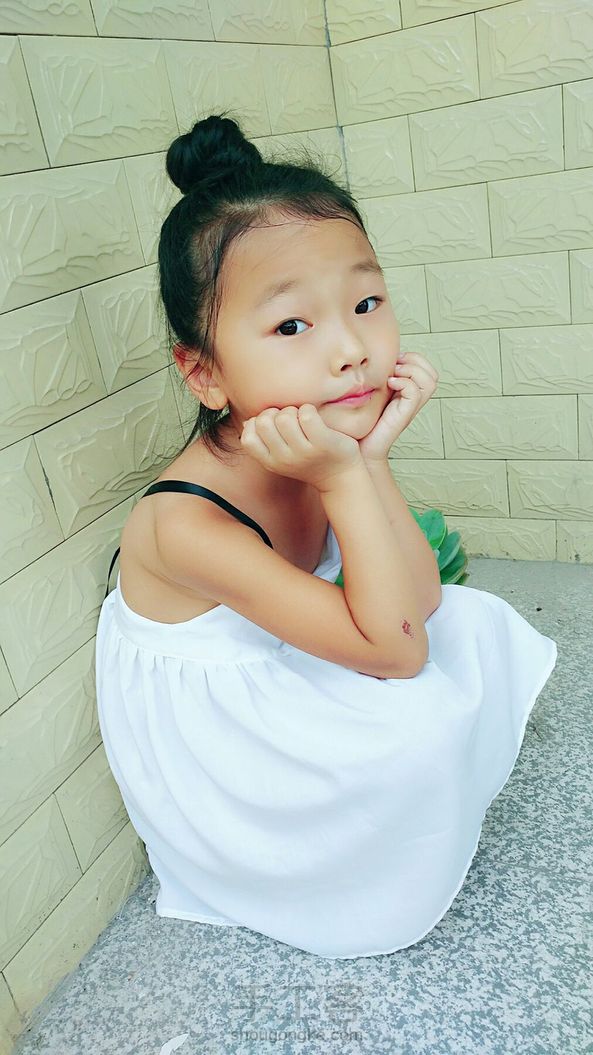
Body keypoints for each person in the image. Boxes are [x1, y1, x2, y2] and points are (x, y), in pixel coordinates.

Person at [94, 111, 558, 960]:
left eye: (365, 303)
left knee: (474, 621)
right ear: (203, 372)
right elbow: (396, 651)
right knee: (420, 723)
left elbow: (421, 600)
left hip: (300, 645)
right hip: (225, 749)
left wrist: (367, 459)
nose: (350, 349)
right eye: (291, 326)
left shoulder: (307, 437)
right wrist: (345, 478)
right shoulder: (184, 522)